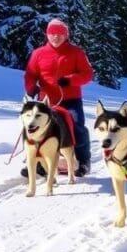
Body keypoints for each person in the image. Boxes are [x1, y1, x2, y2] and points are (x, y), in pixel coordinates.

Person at [23, 18, 94, 177]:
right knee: (35, 128)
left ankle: (83, 161)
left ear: (66, 35)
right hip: (46, 101)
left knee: (76, 126)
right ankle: (35, 163)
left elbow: (88, 75)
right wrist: (31, 88)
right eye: (52, 33)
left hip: (70, 99)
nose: (56, 37)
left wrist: (70, 80)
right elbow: (30, 75)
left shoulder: (76, 52)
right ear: (47, 35)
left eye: (60, 34)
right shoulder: (38, 53)